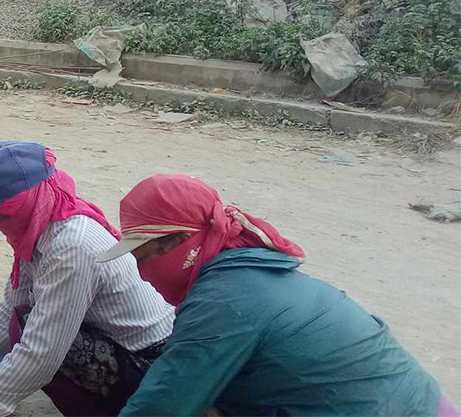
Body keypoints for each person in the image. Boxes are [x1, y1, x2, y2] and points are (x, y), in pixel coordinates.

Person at [98, 174, 453, 417]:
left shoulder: (224, 300)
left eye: (144, 258)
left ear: (180, 242)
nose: (142, 274)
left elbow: (162, 405)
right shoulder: (248, 272)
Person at [0, 141, 174, 417]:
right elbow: (12, 311)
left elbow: (42, 354)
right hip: (123, 347)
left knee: (38, 335)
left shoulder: (72, 246)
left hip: (151, 366)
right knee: (22, 321)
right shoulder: (40, 225)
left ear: (25, 203)